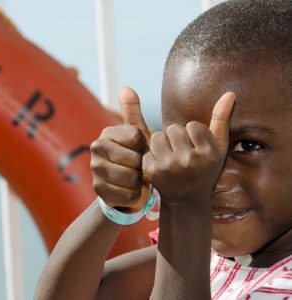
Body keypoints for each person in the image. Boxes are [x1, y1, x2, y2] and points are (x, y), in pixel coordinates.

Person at [34, 0, 292, 299]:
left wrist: (184, 205)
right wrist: (116, 205)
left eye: (248, 146)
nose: (205, 172)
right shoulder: (214, 258)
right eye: (184, 145)